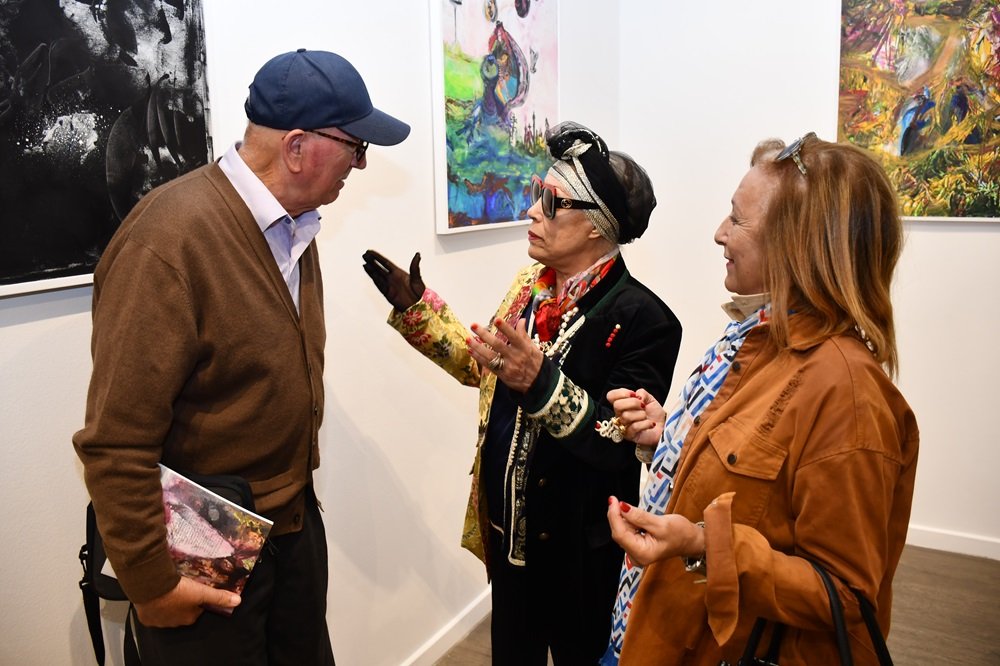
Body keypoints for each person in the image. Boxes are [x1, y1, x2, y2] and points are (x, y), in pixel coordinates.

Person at [73, 49, 409, 665]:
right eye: (355, 145)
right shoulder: (167, 241)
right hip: (205, 540)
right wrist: (151, 585)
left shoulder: (295, 228)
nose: (361, 163)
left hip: (290, 529)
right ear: (299, 146)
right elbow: (115, 442)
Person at [363, 121, 682, 664]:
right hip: (510, 540)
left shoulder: (646, 321)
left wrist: (543, 383)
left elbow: (614, 439)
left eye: (551, 202)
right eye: (538, 194)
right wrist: (418, 309)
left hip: (584, 556)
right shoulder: (529, 289)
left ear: (595, 228)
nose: (532, 211)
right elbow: (485, 367)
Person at [602, 133, 919, 665]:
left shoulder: (849, 395)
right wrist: (670, 438)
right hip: (658, 630)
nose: (718, 233)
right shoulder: (761, 341)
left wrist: (705, 548)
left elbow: (846, 597)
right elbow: (752, 477)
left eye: (737, 219)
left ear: (798, 244)